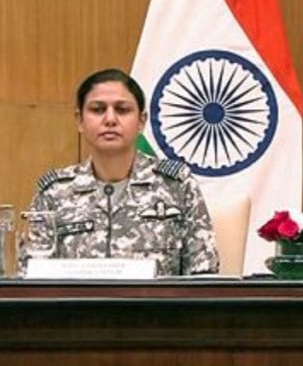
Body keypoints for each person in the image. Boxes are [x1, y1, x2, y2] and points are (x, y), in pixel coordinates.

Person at [24, 68, 218, 276]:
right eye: (97, 109)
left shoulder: (176, 185)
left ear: (141, 121)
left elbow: (203, 275)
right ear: (79, 120)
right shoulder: (55, 192)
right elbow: (31, 276)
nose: (110, 119)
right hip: (76, 309)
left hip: (157, 309)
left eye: (122, 109)